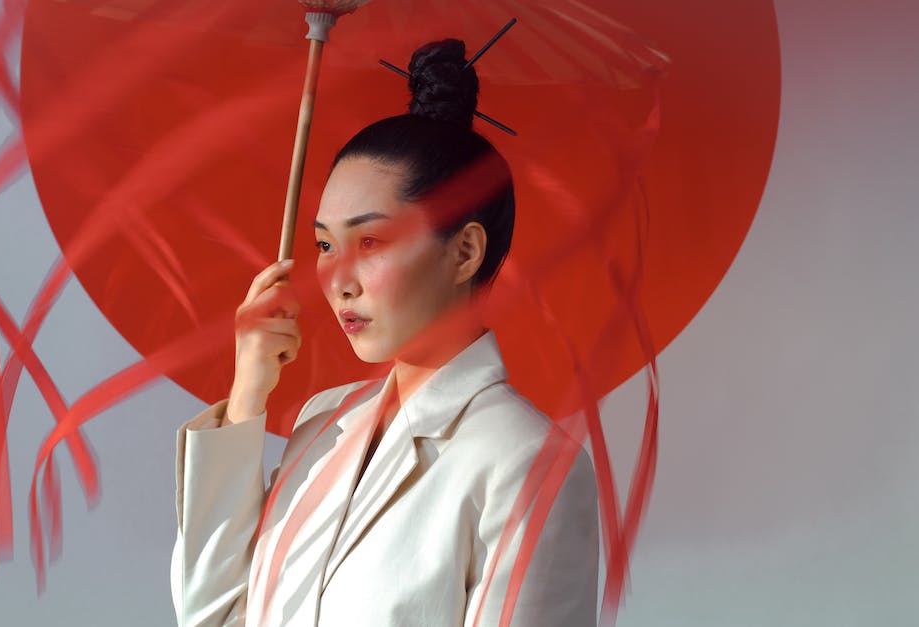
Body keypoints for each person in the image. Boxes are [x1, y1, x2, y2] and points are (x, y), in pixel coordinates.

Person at [170, 39, 599, 626]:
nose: (338, 279)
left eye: (370, 242)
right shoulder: (323, 423)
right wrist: (248, 396)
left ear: (465, 251)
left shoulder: (526, 463)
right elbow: (211, 615)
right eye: (325, 244)